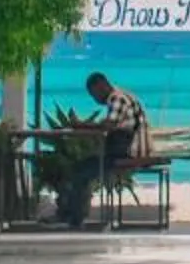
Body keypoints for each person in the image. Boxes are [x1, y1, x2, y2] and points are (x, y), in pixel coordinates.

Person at [57, 71, 152, 228]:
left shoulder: (117, 98)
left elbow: (109, 125)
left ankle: (73, 218)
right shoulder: (123, 96)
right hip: (125, 148)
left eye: (94, 94)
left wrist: (81, 125)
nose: (95, 99)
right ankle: (73, 216)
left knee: (80, 170)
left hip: (127, 151)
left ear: (101, 86)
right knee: (82, 168)